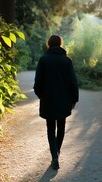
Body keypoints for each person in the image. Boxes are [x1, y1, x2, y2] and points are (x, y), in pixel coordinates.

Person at [33, 35, 79, 170]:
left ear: (49, 44)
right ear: (60, 44)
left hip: (48, 100)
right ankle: (57, 152)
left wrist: (42, 96)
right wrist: (74, 99)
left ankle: (54, 156)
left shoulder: (43, 60)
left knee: (50, 128)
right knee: (61, 126)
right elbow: (73, 82)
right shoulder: (67, 60)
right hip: (64, 100)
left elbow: (37, 83)